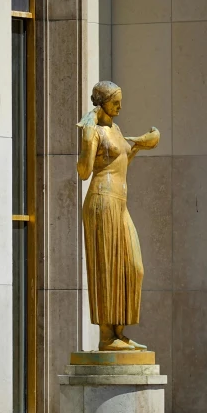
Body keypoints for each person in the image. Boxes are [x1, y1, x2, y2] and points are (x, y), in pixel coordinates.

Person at [76, 81, 160, 351]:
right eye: (115, 102)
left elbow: (120, 161)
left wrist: (140, 144)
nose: (120, 107)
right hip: (102, 202)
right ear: (102, 103)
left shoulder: (116, 129)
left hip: (120, 204)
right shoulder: (96, 132)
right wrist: (87, 140)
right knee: (107, 267)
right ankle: (106, 337)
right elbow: (83, 172)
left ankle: (119, 332)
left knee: (133, 268)